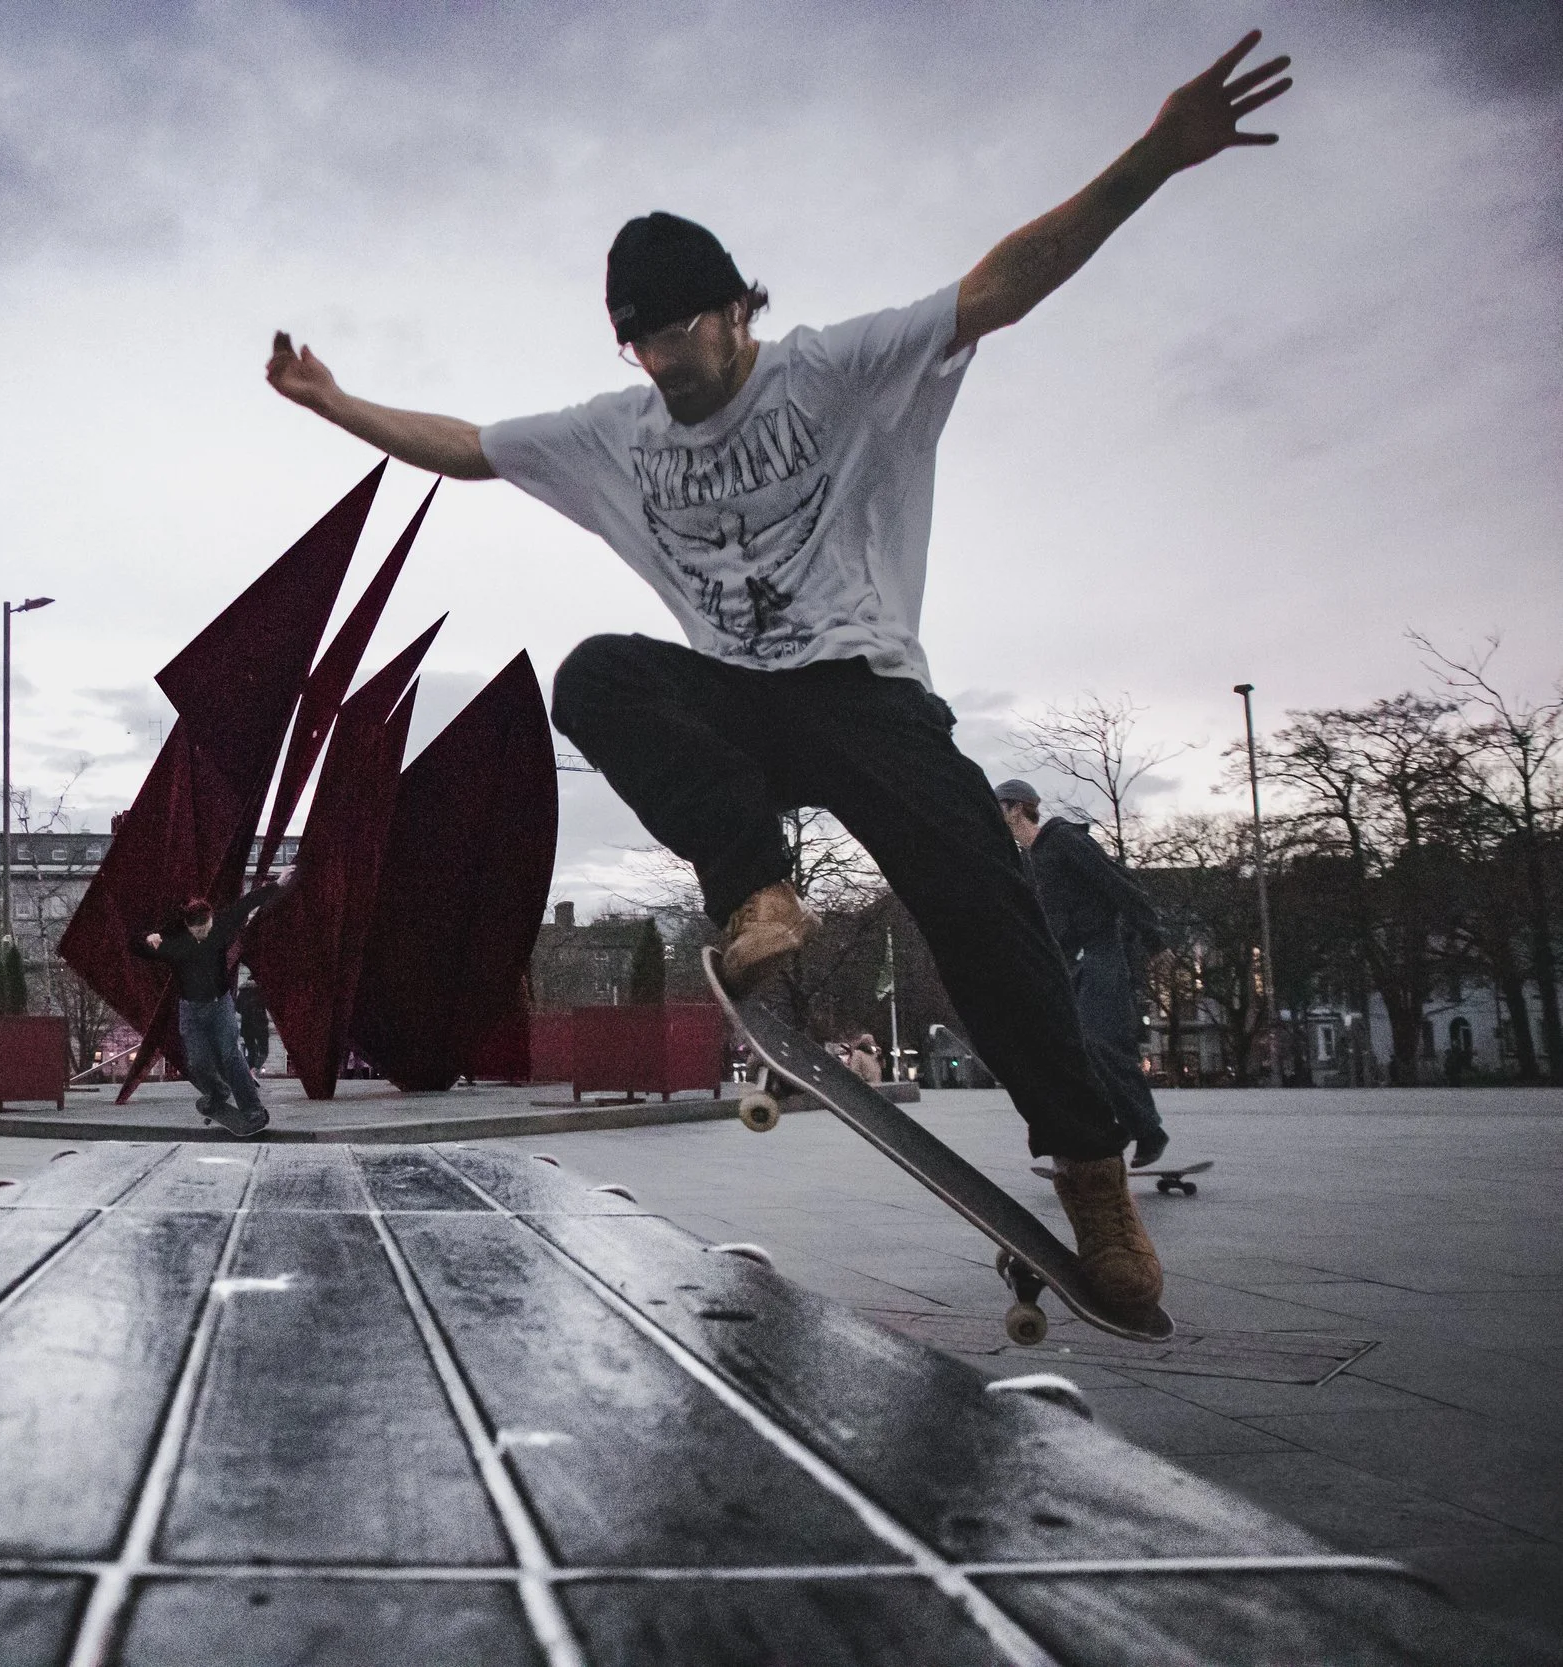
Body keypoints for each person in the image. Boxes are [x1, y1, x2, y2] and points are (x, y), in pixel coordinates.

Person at [264, 32, 1292, 1319]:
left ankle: (1089, 1171)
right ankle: (754, 888)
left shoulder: (839, 368)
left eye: (683, 340)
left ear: (736, 308)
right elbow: (469, 445)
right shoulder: (614, 427)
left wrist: (1154, 156)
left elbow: (1005, 285)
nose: (666, 370)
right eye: (641, 350)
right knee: (593, 675)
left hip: (866, 692)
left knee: (984, 911)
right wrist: (335, 402)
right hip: (734, 701)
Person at [996, 780, 1171, 1167]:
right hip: (1069, 964)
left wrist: (1154, 937)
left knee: (1103, 1042)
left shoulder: (1063, 842)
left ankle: (1148, 1131)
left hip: (1101, 953)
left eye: (998, 811)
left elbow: (1118, 882)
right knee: (1071, 1051)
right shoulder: (1029, 863)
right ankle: (1112, 1129)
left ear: (1015, 809)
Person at [134, 883, 288, 1137]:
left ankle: (252, 1108)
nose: (203, 932)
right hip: (191, 1011)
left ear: (211, 920)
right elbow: (135, 946)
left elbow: (247, 903)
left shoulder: (220, 927)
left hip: (220, 1006)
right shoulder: (173, 942)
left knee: (231, 1055)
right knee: (197, 1061)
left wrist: (277, 883)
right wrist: (147, 938)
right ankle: (218, 1092)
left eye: (206, 926)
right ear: (187, 926)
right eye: (197, 929)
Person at [235, 975, 272, 1075]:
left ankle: (248, 1071)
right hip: (261, 1026)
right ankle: (253, 1070)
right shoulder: (261, 991)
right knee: (264, 1051)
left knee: (252, 1051)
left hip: (247, 1027)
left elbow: (237, 1007)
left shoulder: (242, 992)